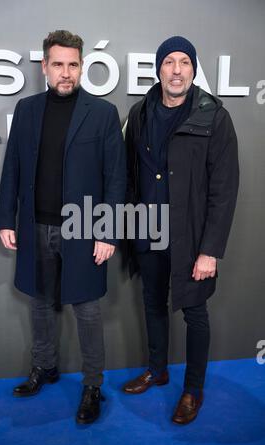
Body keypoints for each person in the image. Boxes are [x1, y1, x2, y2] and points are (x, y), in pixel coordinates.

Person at [0, 30, 126, 424]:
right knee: (39, 303)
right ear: (45, 67)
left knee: (87, 310)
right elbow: (13, 168)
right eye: (58, 64)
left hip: (84, 229)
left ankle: (92, 386)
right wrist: (6, 219)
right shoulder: (27, 109)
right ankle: (45, 367)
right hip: (35, 227)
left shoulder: (102, 113)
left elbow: (115, 178)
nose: (65, 73)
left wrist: (107, 231)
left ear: (82, 66)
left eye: (73, 65)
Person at [123, 36, 239, 424]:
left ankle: (193, 390)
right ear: (158, 69)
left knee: (195, 313)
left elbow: (224, 190)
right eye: (169, 62)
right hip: (146, 231)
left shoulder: (213, 115)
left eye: (184, 62)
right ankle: (157, 371)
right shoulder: (139, 112)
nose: (176, 69)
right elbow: (130, 174)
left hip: (191, 237)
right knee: (153, 304)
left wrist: (210, 251)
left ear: (193, 68)